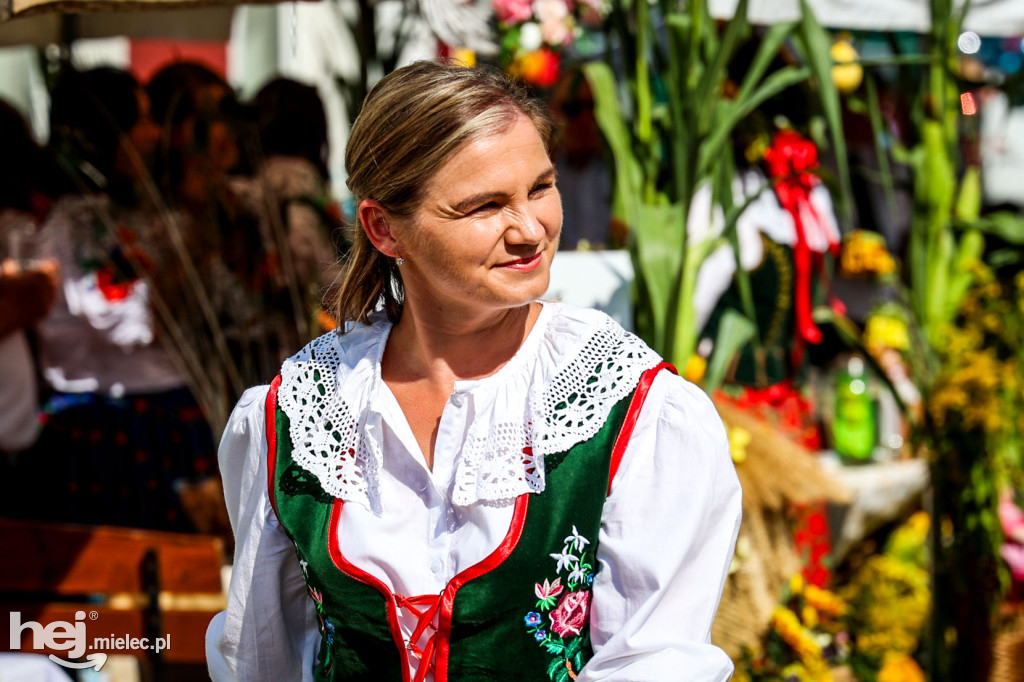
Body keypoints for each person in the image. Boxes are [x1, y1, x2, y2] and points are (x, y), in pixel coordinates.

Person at [206, 60, 742, 681]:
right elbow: (257, 659)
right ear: (384, 229)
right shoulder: (297, 418)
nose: (529, 230)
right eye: (485, 205)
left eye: (541, 188)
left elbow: (655, 665)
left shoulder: (630, 412)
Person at [23, 67, 218, 531]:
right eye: (142, 121)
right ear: (105, 136)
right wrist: (197, 237)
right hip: (115, 429)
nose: (155, 135)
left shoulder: (137, 214)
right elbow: (129, 317)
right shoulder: (73, 226)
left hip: (162, 415)